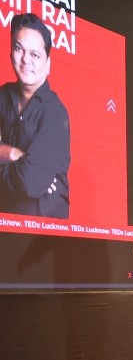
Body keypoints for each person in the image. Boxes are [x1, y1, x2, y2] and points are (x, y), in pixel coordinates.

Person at [0, 13, 70, 217]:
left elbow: (30, 182)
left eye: (35, 55)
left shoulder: (55, 112)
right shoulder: (2, 96)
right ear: (10, 52)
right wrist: (13, 154)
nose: (25, 60)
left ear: (48, 64)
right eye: (19, 48)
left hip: (43, 227)